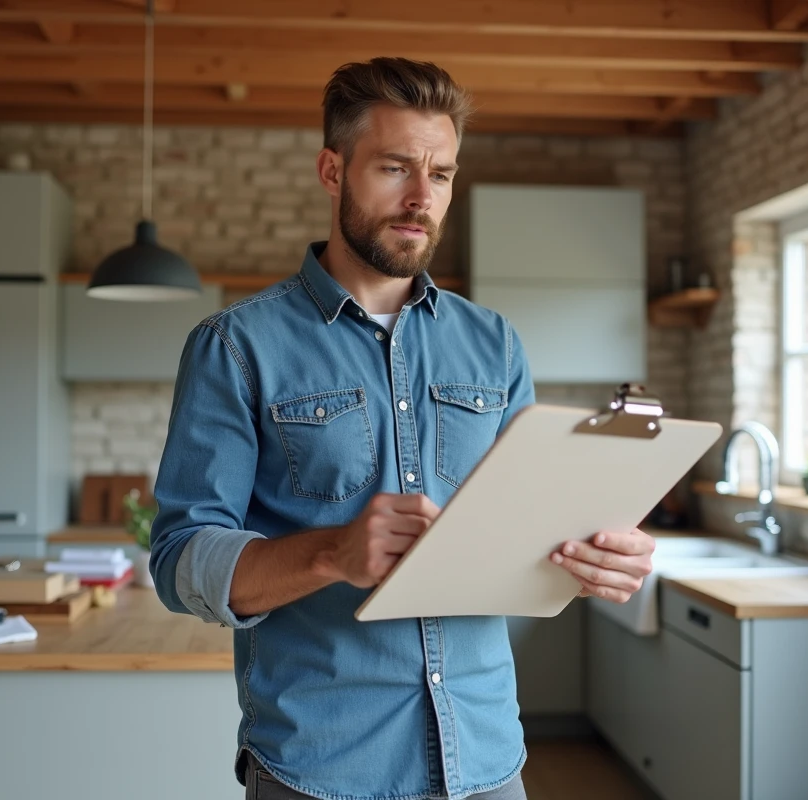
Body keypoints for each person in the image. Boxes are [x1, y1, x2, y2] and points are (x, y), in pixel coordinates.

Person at [149, 57, 655, 800]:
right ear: (332, 170)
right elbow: (179, 558)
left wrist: (593, 557)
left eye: (442, 174)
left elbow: (522, 537)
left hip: (486, 759)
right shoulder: (236, 346)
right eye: (394, 168)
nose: (423, 198)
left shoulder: (496, 344)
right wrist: (331, 553)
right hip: (320, 769)